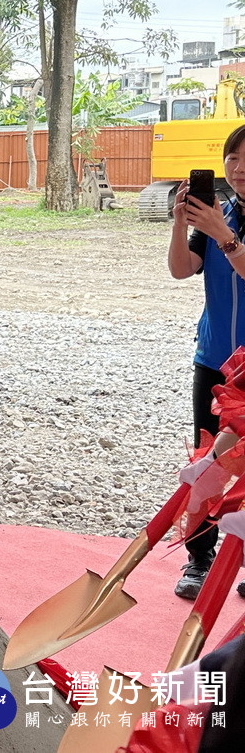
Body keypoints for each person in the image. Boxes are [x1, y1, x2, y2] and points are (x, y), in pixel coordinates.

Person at [167, 123, 245, 598]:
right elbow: (180, 270)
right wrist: (183, 223)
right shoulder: (221, 213)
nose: (239, 169)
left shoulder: (223, 222)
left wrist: (225, 236)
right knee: (206, 461)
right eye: (233, 159)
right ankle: (199, 558)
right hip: (215, 360)